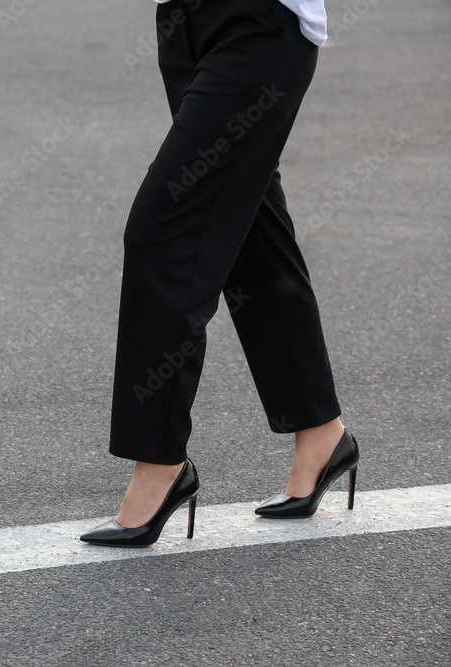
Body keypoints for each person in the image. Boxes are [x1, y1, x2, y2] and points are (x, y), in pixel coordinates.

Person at [80, 0, 359, 547]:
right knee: (253, 231)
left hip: (256, 24)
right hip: (184, 24)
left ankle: (160, 464)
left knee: (163, 235)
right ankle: (320, 431)